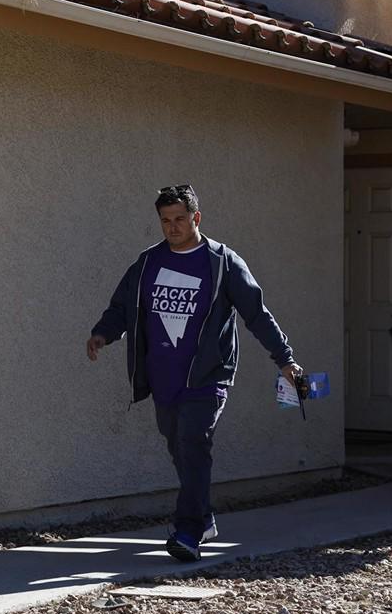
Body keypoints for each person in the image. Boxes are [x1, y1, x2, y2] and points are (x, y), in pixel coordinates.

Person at [86, 184, 304, 563]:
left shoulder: (222, 263)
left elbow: (256, 314)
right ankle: (203, 519)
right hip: (163, 377)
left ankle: (187, 531)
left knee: (193, 443)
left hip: (208, 375)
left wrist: (285, 359)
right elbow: (123, 304)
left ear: (196, 218)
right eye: (165, 221)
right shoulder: (148, 262)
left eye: (180, 219)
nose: (172, 227)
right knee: (181, 450)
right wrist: (104, 332)